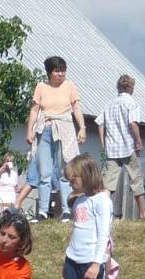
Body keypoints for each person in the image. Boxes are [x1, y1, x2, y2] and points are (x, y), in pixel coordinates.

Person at [25, 56, 85, 222]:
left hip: (64, 128)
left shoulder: (70, 86)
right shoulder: (41, 87)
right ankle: (43, 211)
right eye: (57, 71)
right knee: (45, 173)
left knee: (64, 171)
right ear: (50, 73)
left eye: (63, 70)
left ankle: (66, 210)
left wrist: (82, 127)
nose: (60, 74)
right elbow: (34, 110)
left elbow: (76, 108)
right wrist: (29, 130)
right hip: (45, 128)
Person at [96, 74, 145, 219]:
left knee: (108, 184)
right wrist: (138, 141)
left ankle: (103, 214)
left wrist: (103, 144)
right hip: (128, 147)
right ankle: (143, 214)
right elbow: (133, 123)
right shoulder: (131, 103)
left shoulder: (109, 104)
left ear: (118, 87)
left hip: (112, 149)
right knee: (136, 180)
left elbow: (100, 124)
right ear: (131, 88)